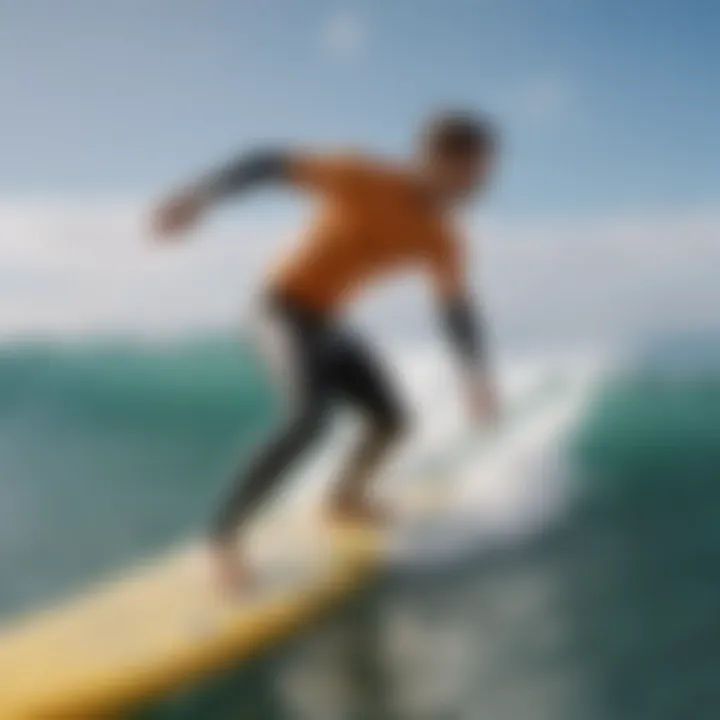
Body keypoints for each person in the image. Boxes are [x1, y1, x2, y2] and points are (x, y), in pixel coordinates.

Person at [153, 110, 500, 589]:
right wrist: (199, 197)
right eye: (475, 171)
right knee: (310, 418)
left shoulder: (444, 238)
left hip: (329, 322)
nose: (482, 183)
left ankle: (343, 498)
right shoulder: (361, 176)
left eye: (486, 172)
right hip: (277, 309)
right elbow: (268, 163)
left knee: (393, 421)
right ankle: (222, 538)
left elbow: (455, 310)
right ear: (437, 160)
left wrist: (475, 375)